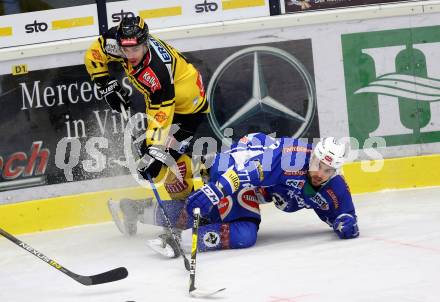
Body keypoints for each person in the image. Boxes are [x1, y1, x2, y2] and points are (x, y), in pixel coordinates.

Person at [144, 132, 359, 258]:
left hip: (253, 183)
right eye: (318, 165)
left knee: (215, 216)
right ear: (313, 155)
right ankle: (177, 241)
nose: (320, 174)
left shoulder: (335, 187)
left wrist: (347, 224)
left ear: (336, 172)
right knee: (243, 232)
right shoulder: (290, 159)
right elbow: (247, 172)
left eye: (328, 171)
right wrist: (214, 191)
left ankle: (135, 210)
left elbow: (344, 215)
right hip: (236, 164)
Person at [84, 15, 208, 195]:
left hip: (188, 108)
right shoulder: (116, 42)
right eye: (125, 49)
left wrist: (155, 150)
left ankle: (208, 172)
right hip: (162, 103)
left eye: (135, 49)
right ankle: (186, 200)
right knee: (156, 163)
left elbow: (163, 112)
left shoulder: (157, 70)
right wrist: (105, 85)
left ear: (145, 43)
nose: (130, 55)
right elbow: (93, 55)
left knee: (160, 161)